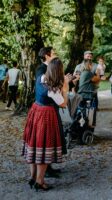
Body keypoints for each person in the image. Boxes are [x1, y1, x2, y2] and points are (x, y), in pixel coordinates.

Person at [22, 58, 71, 191]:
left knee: (34, 145)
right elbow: (63, 104)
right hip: (46, 116)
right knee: (43, 148)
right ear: (59, 71)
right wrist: (65, 88)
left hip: (35, 110)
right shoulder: (53, 89)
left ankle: (32, 177)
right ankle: (40, 181)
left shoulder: (41, 78)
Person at [35, 46, 63, 178]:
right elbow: (47, 87)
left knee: (49, 139)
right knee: (45, 139)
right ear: (46, 55)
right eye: (53, 53)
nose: (55, 55)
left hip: (51, 105)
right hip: (46, 108)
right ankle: (43, 172)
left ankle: (48, 167)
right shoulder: (41, 70)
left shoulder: (49, 68)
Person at [78, 59, 101, 129]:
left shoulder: (83, 72)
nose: (92, 67)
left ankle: (83, 128)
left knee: (83, 113)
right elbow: (97, 79)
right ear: (89, 65)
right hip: (86, 95)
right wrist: (98, 73)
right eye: (92, 65)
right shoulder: (88, 73)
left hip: (81, 95)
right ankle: (89, 127)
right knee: (90, 113)